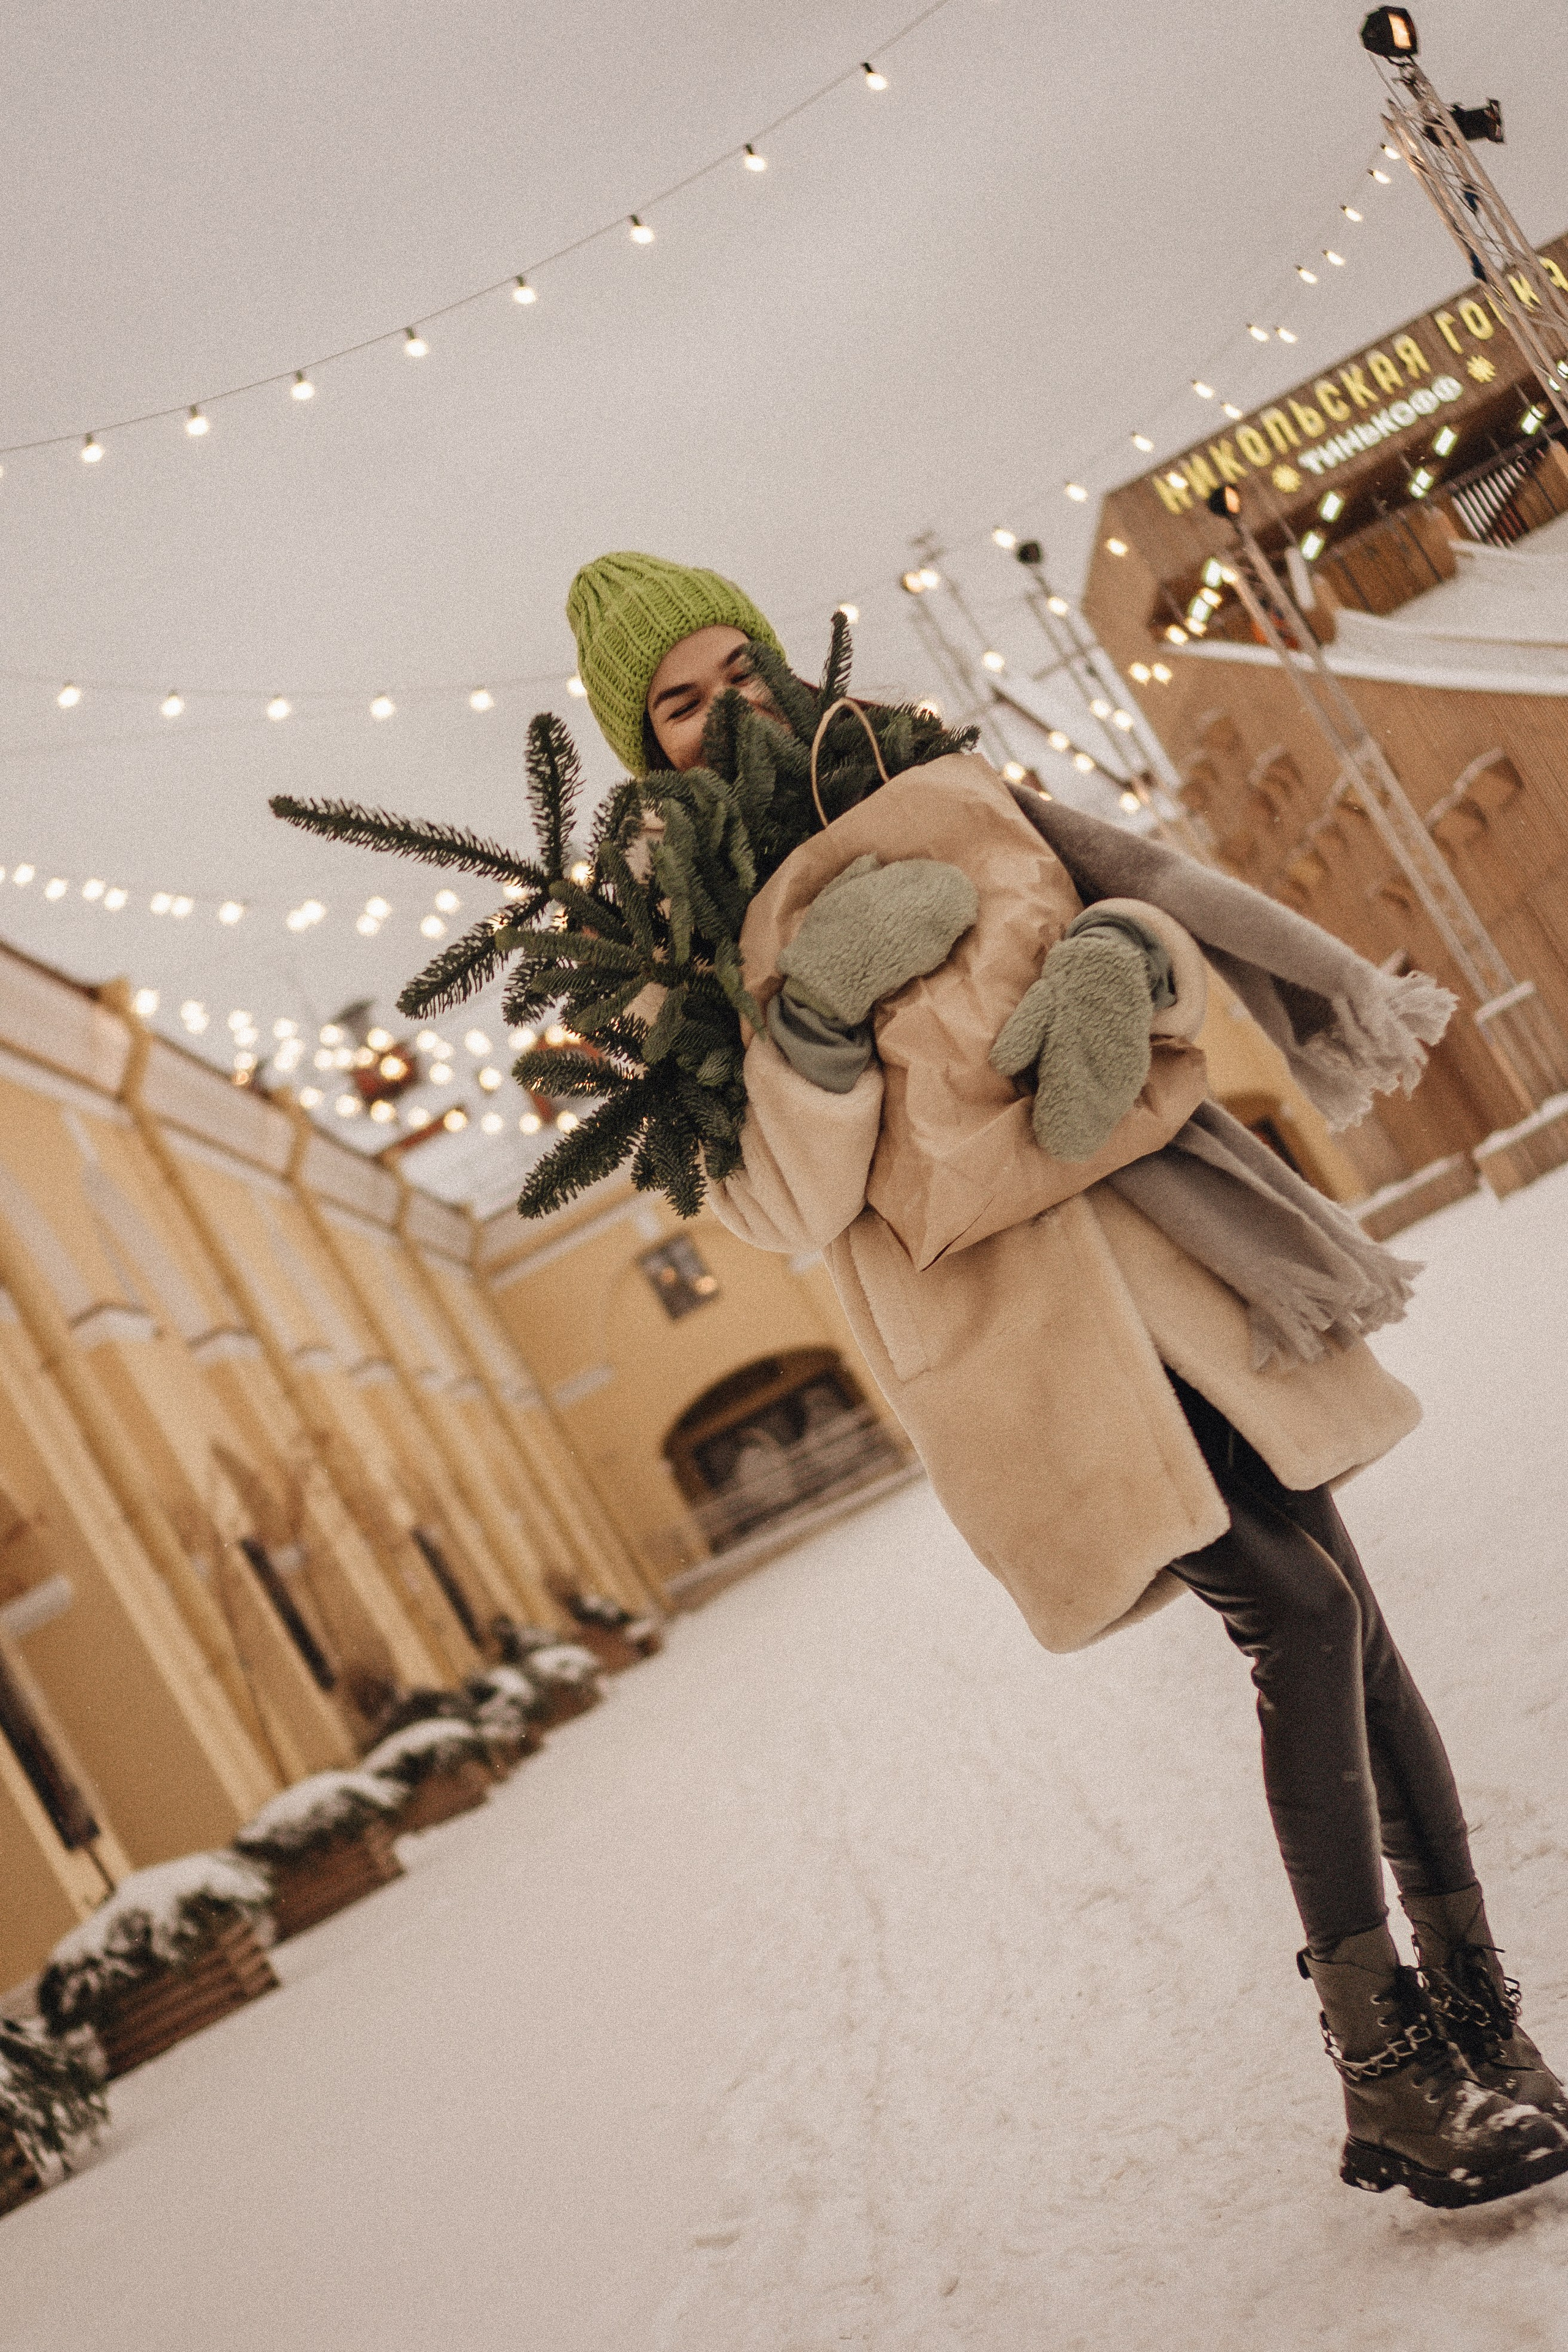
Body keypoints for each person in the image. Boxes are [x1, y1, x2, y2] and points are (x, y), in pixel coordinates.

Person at [565, 549, 1568, 2210]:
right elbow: (774, 1204)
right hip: (1022, 1349)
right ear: (639, 739)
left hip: (1182, 1275)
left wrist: (1120, 963)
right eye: (680, 699)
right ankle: (1385, 2070)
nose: (725, 709)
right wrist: (809, 1019)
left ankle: (1482, 2021)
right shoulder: (671, 943)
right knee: (1299, 1620)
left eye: (740, 669)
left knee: (1356, 1628)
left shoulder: (921, 779)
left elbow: (1130, 916)